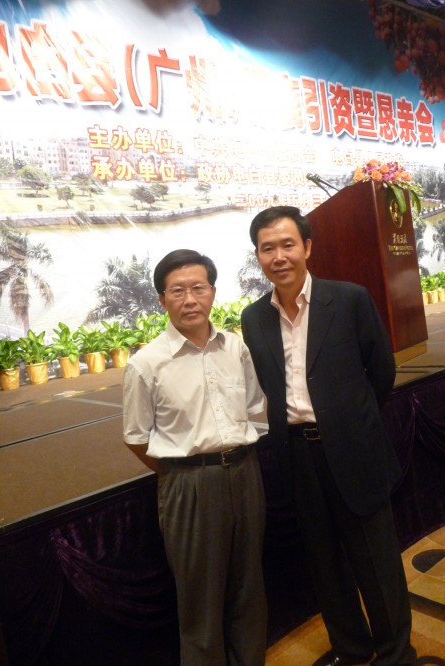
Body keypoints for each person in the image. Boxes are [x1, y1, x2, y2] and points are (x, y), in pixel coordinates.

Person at [241, 206, 416, 666]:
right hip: (297, 454)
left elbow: (381, 371)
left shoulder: (349, 299)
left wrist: (350, 421)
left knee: (375, 561)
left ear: (307, 247)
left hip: (353, 449)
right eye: (267, 248)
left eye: (287, 245)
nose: (279, 256)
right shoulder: (254, 317)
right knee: (324, 562)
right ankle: (351, 647)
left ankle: (397, 654)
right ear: (258, 256)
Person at [123, 249, 267, 666]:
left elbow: (255, 408)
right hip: (188, 485)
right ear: (162, 299)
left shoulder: (235, 348)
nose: (190, 299)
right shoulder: (147, 363)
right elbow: (136, 438)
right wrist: (184, 473)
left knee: (249, 590)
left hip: (245, 474)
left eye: (198, 288)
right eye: (178, 291)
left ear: (212, 293)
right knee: (200, 603)